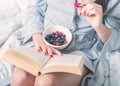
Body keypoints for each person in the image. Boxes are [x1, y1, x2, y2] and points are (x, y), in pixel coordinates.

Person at [10, 0, 120, 86]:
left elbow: (116, 39)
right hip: (43, 42)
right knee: (20, 79)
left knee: (46, 82)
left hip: (80, 52)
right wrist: (37, 36)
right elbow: (35, 8)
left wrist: (99, 27)